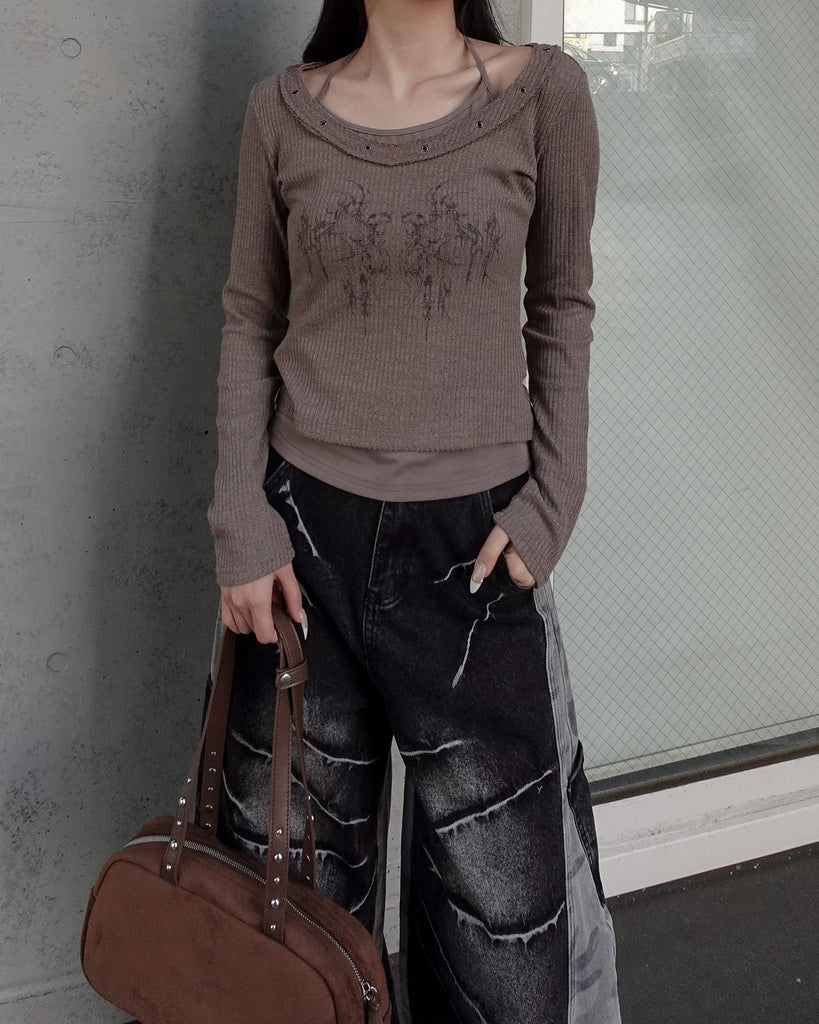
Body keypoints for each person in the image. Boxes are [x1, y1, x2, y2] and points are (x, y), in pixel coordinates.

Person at [207, 1, 622, 1021]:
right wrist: (240, 524)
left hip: (473, 551)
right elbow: (250, 316)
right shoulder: (281, 111)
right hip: (301, 551)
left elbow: (561, 306)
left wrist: (552, 501)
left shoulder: (544, 95)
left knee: (500, 939)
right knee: (290, 919)